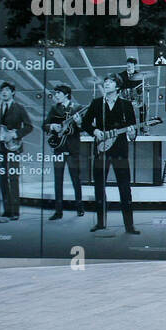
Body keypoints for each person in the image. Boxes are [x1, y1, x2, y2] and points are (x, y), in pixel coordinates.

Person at [82, 75, 140, 235]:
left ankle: (129, 226)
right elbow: (85, 123)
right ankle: (101, 223)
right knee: (99, 186)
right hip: (101, 149)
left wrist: (132, 132)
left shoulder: (126, 105)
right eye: (105, 81)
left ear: (118, 86)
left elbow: (133, 131)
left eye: (110, 82)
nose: (106, 83)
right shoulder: (96, 103)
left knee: (125, 187)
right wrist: (95, 131)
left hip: (120, 150)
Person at [0, 81, 34, 223]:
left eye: (7, 90)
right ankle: (7, 210)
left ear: (13, 92)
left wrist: (15, 134)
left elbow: (29, 126)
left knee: (13, 178)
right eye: (2, 90)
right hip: (0, 147)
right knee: (2, 179)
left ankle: (15, 212)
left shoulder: (19, 108)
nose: (4, 92)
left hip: (13, 146)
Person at [44, 85, 85, 220]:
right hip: (59, 148)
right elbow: (44, 125)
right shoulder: (54, 108)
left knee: (76, 179)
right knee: (58, 180)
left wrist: (79, 123)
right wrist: (52, 126)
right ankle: (58, 211)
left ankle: (79, 207)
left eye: (58, 93)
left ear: (67, 94)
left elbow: (84, 127)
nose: (56, 95)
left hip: (73, 149)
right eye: (55, 93)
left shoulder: (77, 108)